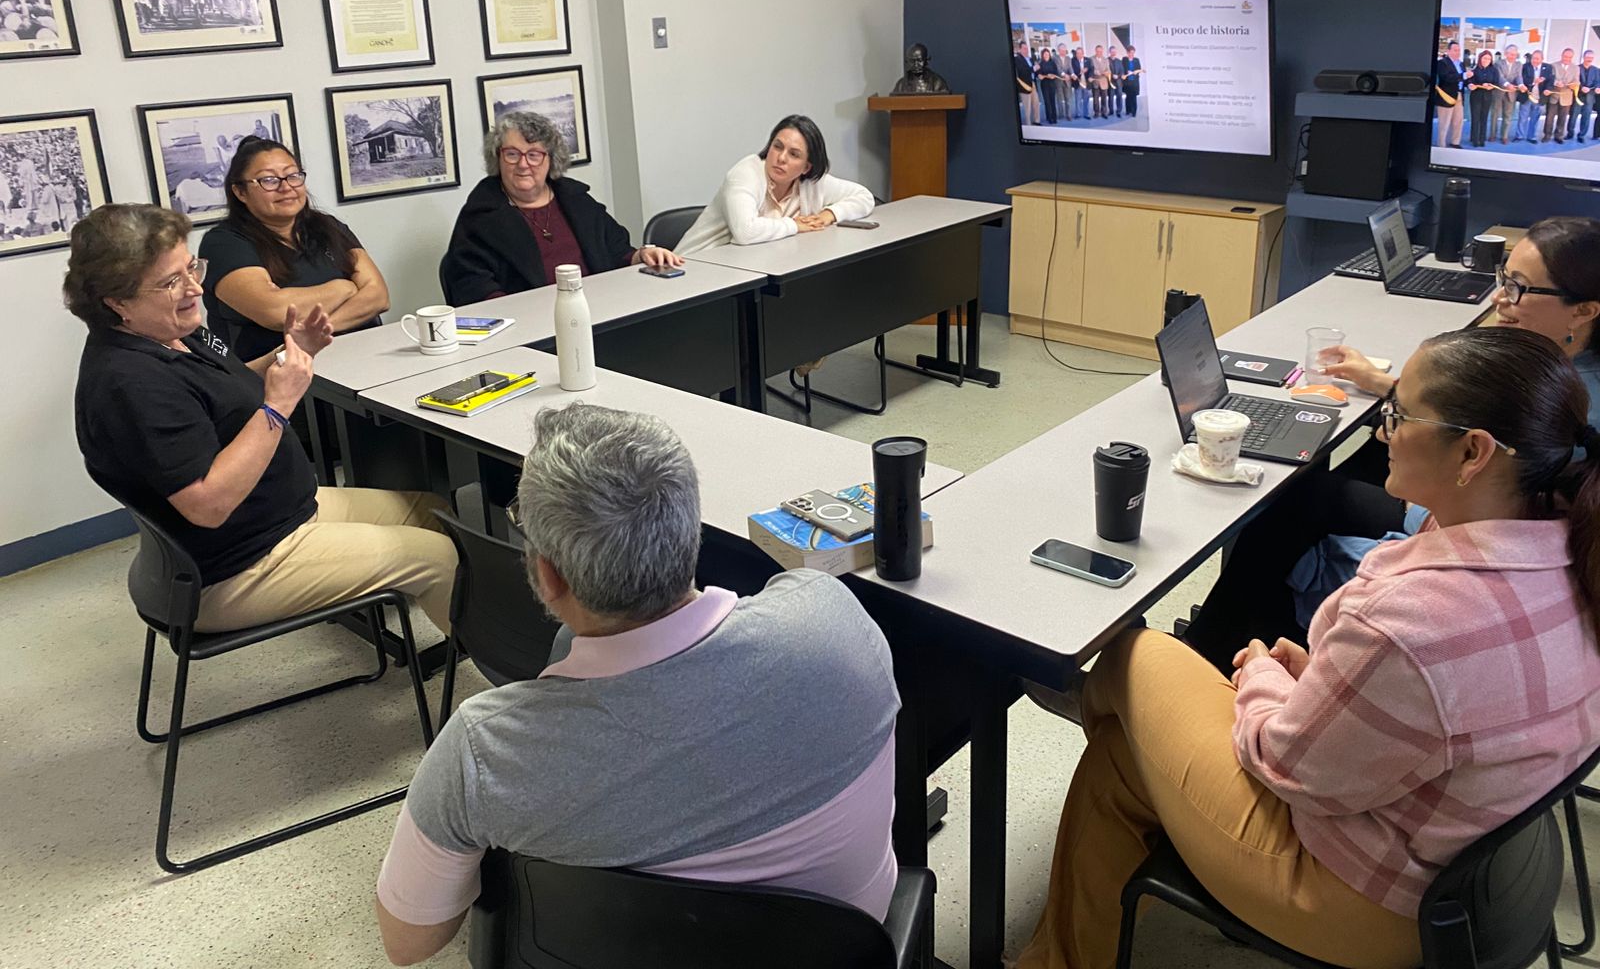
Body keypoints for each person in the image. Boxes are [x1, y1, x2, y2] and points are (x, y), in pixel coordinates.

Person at [1018, 324, 1600, 969]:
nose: (1384, 430)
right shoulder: (1569, 553)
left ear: (1473, 452)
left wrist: (1265, 679)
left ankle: (1094, 695)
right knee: (1122, 755)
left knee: (1138, 654)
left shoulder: (1411, 621)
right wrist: (1327, 681)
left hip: (1366, 903)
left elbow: (1285, 764)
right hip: (1459, 873)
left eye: (1400, 415)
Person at [374, 404, 900, 965]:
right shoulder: (832, 617)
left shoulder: (482, 750)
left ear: (548, 576)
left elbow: (409, 942)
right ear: (690, 530)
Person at [1182, 216, 1600, 673]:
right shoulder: (1556, 371)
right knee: (1341, 471)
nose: (1500, 298)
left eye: (1518, 287)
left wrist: (1421, 508)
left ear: (1584, 310)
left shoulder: (1574, 405)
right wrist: (1384, 385)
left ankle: (1211, 647)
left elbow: (1486, 492)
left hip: (1469, 513)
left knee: (1296, 499)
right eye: (1504, 278)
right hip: (1478, 502)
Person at [67, 204, 456, 636]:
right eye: (171, 282)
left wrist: (290, 352)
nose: (195, 288)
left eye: (191, 268)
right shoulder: (130, 383)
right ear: (117, 301)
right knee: (437, 557)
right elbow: (209, 505)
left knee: (433, 512)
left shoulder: (174, 333)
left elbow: (228, 390)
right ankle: (493, 671)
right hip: (234, 567)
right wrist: (278, 405)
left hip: (279, 514)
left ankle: (458, 636)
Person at [440, 111, 681, 306]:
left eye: (534, 155)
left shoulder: (577, 200)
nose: (523, 164)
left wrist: (643, 255)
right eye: (512, 154)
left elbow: (617, 251)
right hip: (529, 328)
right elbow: (472, 287)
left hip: (600, 311)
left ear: (551, 159)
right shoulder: (480, 216)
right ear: (497, 158)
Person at [199, 137, 389, 364]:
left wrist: (313, 336)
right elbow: (275, 311)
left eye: (293, 176)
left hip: (363, 357)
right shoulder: (224, 244)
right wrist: (345, 288)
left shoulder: (328, 226)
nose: (286, 187)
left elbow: (379, 296)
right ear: (240, 192)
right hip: (281, 372)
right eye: (269, 180)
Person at [674, 115, 875, 256]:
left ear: (806, 167)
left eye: (794, 154)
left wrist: (828, 215)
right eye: (777, 147)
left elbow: (864, 197)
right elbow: (745, 232)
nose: (781, 158)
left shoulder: (812, 183)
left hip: (746, 268)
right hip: (693, 269)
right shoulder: (745, 173)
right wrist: (795, 225)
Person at [1433, 39, 1464, 148]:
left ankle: (1455, 142)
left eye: (1459, 50)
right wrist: (1463, 76)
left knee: (1458, 121)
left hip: (1459, 95)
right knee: (1444, 123)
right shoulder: (1442, 63)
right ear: (1449, 51)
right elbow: (1446, 78)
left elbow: (1464, 79)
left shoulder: (1461, 64)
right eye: (1455, 50)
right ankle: (1441, 144)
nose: (1458, 52)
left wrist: (1469, 83)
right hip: (1446, 96)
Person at [1544, 47, 1579, 143]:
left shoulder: (1576, 68)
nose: (1567, 59)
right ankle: (1547, 135)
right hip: (1554, 95)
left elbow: (1577, 81)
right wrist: (1556, 83)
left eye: (1569, 57)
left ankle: (1559, 136)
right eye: (1565, 56)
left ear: (1572, 57)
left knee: (1562, 118)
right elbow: (1549, 78)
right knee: (1549, 117)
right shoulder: (1553, 65)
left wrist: (1573, 85)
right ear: (1562, 55)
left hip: (1566, 96)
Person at [1517, 49, 1552, 142]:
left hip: (1539, 97)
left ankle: (1531, 136)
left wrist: (1548, 89)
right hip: (1527, 96)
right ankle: (1519, 136)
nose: (1534, 60)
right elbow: (1522, 79)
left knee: (1535, 118)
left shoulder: (1548, 67)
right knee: (1523, 117)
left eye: (1537, 59)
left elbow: (1550, 81)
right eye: (1533, 58)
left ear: (1542, 59)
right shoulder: (1525, 67)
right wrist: (1533, 82)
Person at [1490, 43, 1520, 144]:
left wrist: (1521, 85)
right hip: (1498, 92)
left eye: (1515, 55)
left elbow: (1519, 77)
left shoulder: (1518, 64)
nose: (1513, 57)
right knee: (1495, 114)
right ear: (1506, 54)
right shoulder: (1498, 63)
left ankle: (1504, 136)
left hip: (1511, 93)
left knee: (1508, 116)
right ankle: (1492, 135)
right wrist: (1508, 84)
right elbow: (1500, 77)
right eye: (1511, 54)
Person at [1466, 49, 1497, 147]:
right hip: (1476, 96)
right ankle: (1474, 139)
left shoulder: (1494, 70)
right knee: (1475, 118)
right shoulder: (1474, 69)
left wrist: (1491, 86)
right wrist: (1470, 85)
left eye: (1488, 59)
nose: (1486, 60)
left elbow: (1496, 82)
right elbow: (1469, 81)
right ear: (1480, 58)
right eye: (1484, 58)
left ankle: (1482, 139)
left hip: (1487, 97)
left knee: (1484, 118)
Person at [1570, 49, 1599, 142]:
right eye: (1588, 57)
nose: (1589, 59)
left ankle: (1581, 135)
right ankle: (1570, 133)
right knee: (1573, 116)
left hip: (1590, 97)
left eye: (1591, 57)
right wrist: (1581, 87)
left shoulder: (1596, 70)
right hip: (1578, 96)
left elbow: (1598, 82)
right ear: (1583, 57)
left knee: (1586, 118)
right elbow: (1573, 80)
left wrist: (1597, 88)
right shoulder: (1577, 68)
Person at [1014, 40, 1039, 125]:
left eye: (1027, 48)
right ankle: (1028, 124)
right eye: (1024, 48)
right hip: (1024, 85)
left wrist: (1038, 72)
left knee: (1036, 103)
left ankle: (1037, 121)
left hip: (1033, 83)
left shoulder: (1031, 59)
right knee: (1027, 106)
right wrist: (1033, 68)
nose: (1026, 50)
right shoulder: (1017, 59)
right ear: (1020, 49)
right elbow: (1022, 71)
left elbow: (1034, 71)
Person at [1036, 45, 1061, 124]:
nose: (1046, 55)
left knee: (1053, 100)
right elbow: (1039, 74)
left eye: (1047, 54)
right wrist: (1043, 76)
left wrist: (1053, 76)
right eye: (1045, 54)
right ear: (1042, 55)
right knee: (1047, 101)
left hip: (1052, 84)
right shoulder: (1040, 63)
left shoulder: (1053, 63)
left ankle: (1054, 117)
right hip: (1044, 84)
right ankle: (1049, 117)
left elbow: (1056, 72)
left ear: (1049, 55)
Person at [1122, 45, 1143, 117]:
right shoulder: (1124, 59)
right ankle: (1128, 111)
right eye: (1131, 52)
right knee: (1128, 97)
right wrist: (1126, 72)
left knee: (1133, 97)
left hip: (1134, 82)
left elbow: (1139, 69)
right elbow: (1122, 69)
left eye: (1133, 53)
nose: (1132, 54)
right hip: (1127, 82)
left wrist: (1135, 72)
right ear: (1127, 53)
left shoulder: (1136, 60)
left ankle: (1134, 112)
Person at [1090, 44, 1111, 118]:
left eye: (1101, 51)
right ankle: (1096, 113)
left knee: (1104, 99)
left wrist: (1106, 73)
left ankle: (1104, 112)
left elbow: (1109, 70)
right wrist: (1095, 72)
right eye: (1098, 51)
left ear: (1102, 51)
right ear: (1095, 51)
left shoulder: (1106, 60)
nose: (1099, 53)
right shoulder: (1091, 59)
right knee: (1095, 99)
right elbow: (1090, 69)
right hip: (1095, 81)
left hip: (1104, 81)